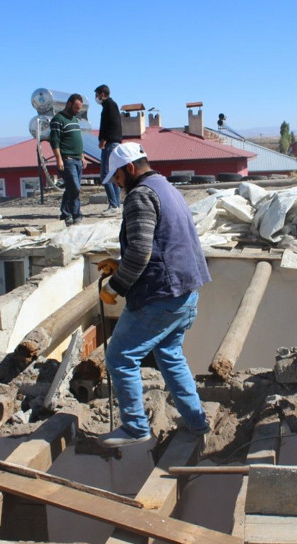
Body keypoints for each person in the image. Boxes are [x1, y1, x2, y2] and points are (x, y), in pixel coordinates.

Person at [95, 142, 212, 447]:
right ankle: (197, 422)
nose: (118, 185)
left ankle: (135, 428)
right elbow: (162, 244)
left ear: (129, 168)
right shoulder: (166, 187)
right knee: (169, 355)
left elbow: (141, 253)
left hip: (160, 295)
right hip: (185, 293)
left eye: (118, 178)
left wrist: (115, 287)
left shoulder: (140, 196)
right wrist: (119, 263)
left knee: (120, 357)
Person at [50, 93, 86, 226]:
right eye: (76, 108)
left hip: (77, 159)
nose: (78, 111)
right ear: (69, 104)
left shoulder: (75, 120)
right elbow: (55, 141)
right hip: (67, 159)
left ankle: (66, 213)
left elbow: (77, 139)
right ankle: (75, 213)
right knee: (74, 188)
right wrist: (59, 159)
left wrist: (82, 156)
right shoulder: (58, 120)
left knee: (72, 188)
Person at [94, 84, 122, 215]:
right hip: (114, 142)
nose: (97, 98)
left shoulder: (109, 106)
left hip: (110, 143)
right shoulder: (112, 105)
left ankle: (114, 205)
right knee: (113, 174)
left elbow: (109, 124)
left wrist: (103, 139)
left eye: (97, 95)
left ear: (102, 94)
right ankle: (117, 204)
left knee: (105, 175)